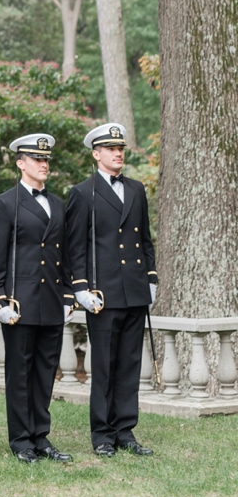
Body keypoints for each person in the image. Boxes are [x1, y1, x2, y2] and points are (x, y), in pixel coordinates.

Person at [66, 123, 157, 457]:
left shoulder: (135, 189)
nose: (118, 153)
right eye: (111, 149)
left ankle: (126, 431)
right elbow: (75, 246)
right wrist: (80, 288)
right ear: (96, 154)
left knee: (129, 364)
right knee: (104, 365)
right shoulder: (81, 192)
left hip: (133, 289)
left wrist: (151, 277)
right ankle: (102, 434)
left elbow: (144, 239)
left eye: (121, 149)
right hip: (102, 293)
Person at [0, 133, 74, 463]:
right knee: (19, 373)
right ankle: (21, 440)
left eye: (46, 159)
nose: (43, 164)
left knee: (45, 372)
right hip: (18, 303)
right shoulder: (5, 204)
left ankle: (41, 437)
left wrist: (68, 296)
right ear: (21, 163)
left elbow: (65, 256)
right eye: (37, 159)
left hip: (50, 301)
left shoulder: (57, 205)